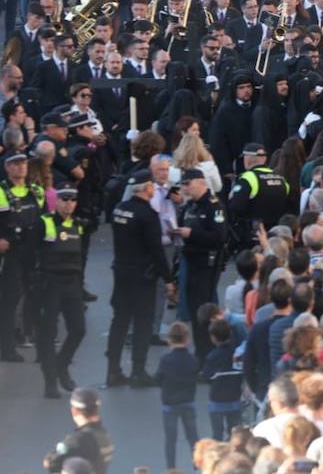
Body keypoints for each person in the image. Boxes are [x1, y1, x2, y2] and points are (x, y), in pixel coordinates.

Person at [105, 168, 174, 388]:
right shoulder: (148, 215)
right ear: (145, 188)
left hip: (121, 272)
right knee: (143, 322)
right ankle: (138, 371)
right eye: (152, 185)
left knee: (120, 321)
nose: (154, 188)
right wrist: (168, 279)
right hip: (142, 276)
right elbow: (156, 250)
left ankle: (113, 370)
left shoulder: (120, 210)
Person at [35, 185, 86, 398]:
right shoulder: (45, 222)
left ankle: (61, 365)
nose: (69, 204)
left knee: (78, 329)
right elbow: (33, 253)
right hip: (50, 284)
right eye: (64, 200)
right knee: (47, 333)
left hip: (72, 283)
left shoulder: (78, 225)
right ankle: (50, 380)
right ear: (56, 201)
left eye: (72, 200)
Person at [175, 167, 227, 359]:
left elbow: (219, 236)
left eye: (188, 184)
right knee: (194, 310)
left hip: (207, 264)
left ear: (201, 182)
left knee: (203, 312)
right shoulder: (190, 207)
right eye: (183, 185)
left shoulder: (214, 206)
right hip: (190, 262)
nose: (185, 188)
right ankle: (200, 353)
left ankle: (207, 354)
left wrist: (192, 234)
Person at [0, 149, 44, 361]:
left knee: (36, 296)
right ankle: (6, 348)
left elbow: (45, 220)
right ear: (7, 167)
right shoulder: (1, 191)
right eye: (15, 164)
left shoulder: (36, 191)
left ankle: (32, 336)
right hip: (12, 254)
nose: (20, 167)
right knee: (10, 299)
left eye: (23, 163)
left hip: (33, 251)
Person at [154, 321, 199, 470]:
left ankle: (171, 468)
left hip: (169, 404)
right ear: (187, 339)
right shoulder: (192, 359)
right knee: (192, 436)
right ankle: (197, 465)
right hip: (188, 402)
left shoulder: (165, 360)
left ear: (169, 340)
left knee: (170, 440)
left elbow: (158, 380)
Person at [42, 387, 113, 474]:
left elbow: (50, 463)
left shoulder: (77, 440)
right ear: (97, 409)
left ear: (74, 411)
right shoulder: (104, 435)